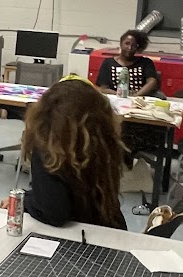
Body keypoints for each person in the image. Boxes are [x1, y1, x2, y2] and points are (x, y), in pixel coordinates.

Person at [19, 77, 127, 230]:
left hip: (75, 237)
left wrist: (25, 201)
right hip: (109, 228)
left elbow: (54, 213)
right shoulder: (105, 143)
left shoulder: (47, 147)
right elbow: (68, 196)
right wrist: (28, 196)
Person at [95, 29, 163, 98]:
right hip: (115, 99)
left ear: (137, 47)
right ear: (121, 43)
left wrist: (135, 96)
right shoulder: (108, 63)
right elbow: (103, 88)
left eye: (133, 45)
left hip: (139, 100)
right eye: (127, 43)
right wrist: (121, 94)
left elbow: (152, 82)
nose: (129, 48)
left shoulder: (145, 62)